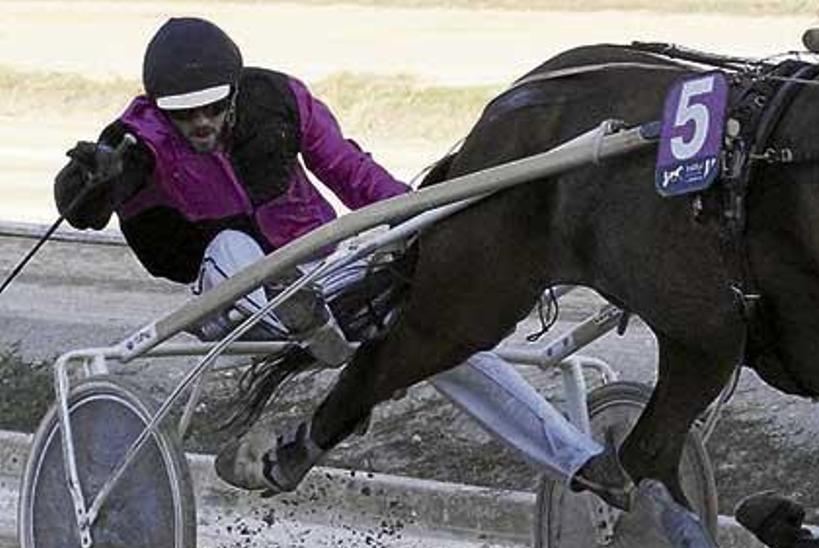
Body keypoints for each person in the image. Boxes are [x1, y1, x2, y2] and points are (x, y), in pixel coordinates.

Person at [53, 17, 627, 505]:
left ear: (233, 90)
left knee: (438, 335)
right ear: (159, 109)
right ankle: (307, 321)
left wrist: (430, 216)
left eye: (212, 107)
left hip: (323, 271)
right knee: (232, 249)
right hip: (226, 300)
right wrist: (87, 181)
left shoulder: (279, 99)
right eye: (185, 115)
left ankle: (584, 465)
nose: (200, 123)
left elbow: (352, 174)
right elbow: (83, 206)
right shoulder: (135, 140)